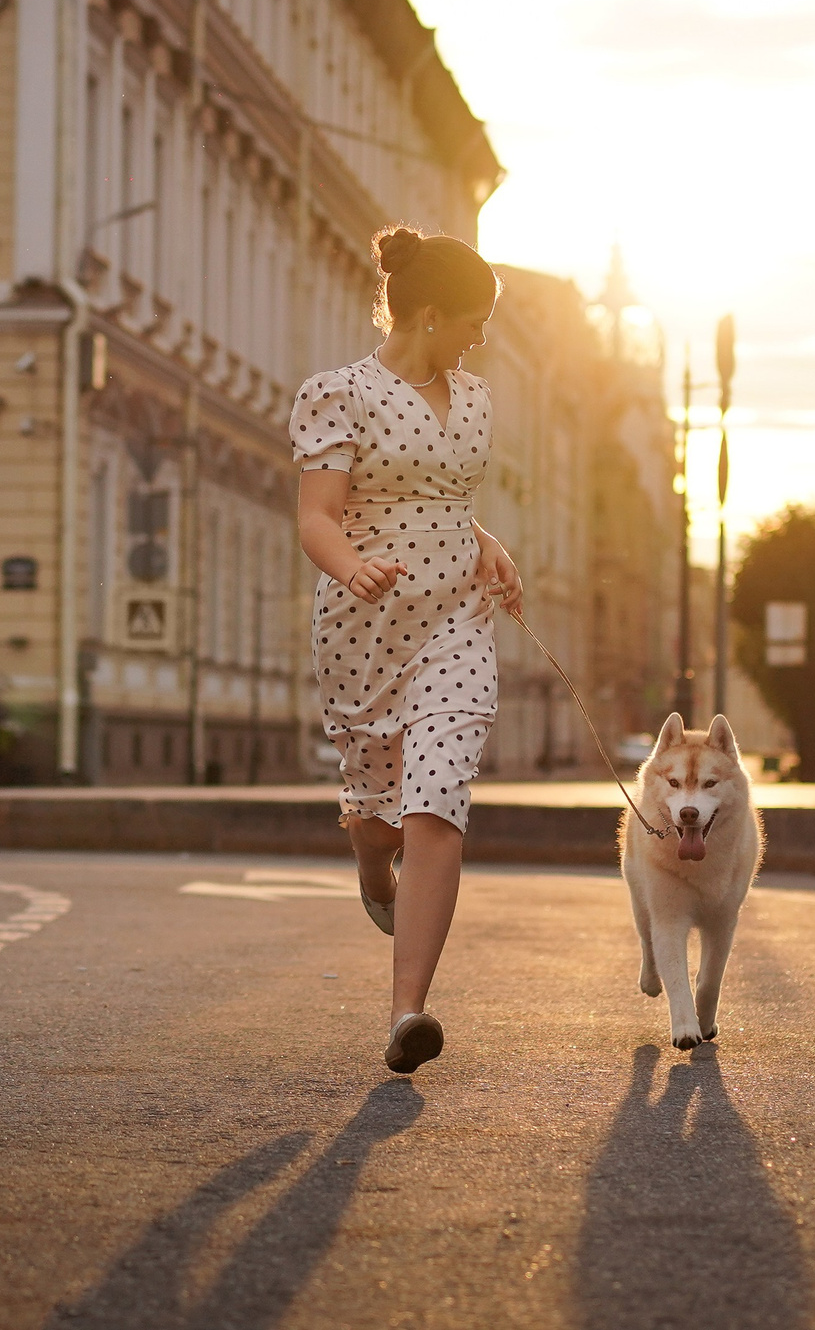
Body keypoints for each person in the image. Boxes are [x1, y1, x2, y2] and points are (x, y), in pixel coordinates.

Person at [289, 224, 522, 1074]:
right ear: (428, 314)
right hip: (366, 629)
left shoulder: (477, 397)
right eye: (473, 321)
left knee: (436, 806)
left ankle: (406, 1012)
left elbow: (446, 498)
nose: (480, 338)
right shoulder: (338, 394)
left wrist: (487, 545)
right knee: (378, 813)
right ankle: (369, 857)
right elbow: (317, 515)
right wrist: (352, 567)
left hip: (456, 624)